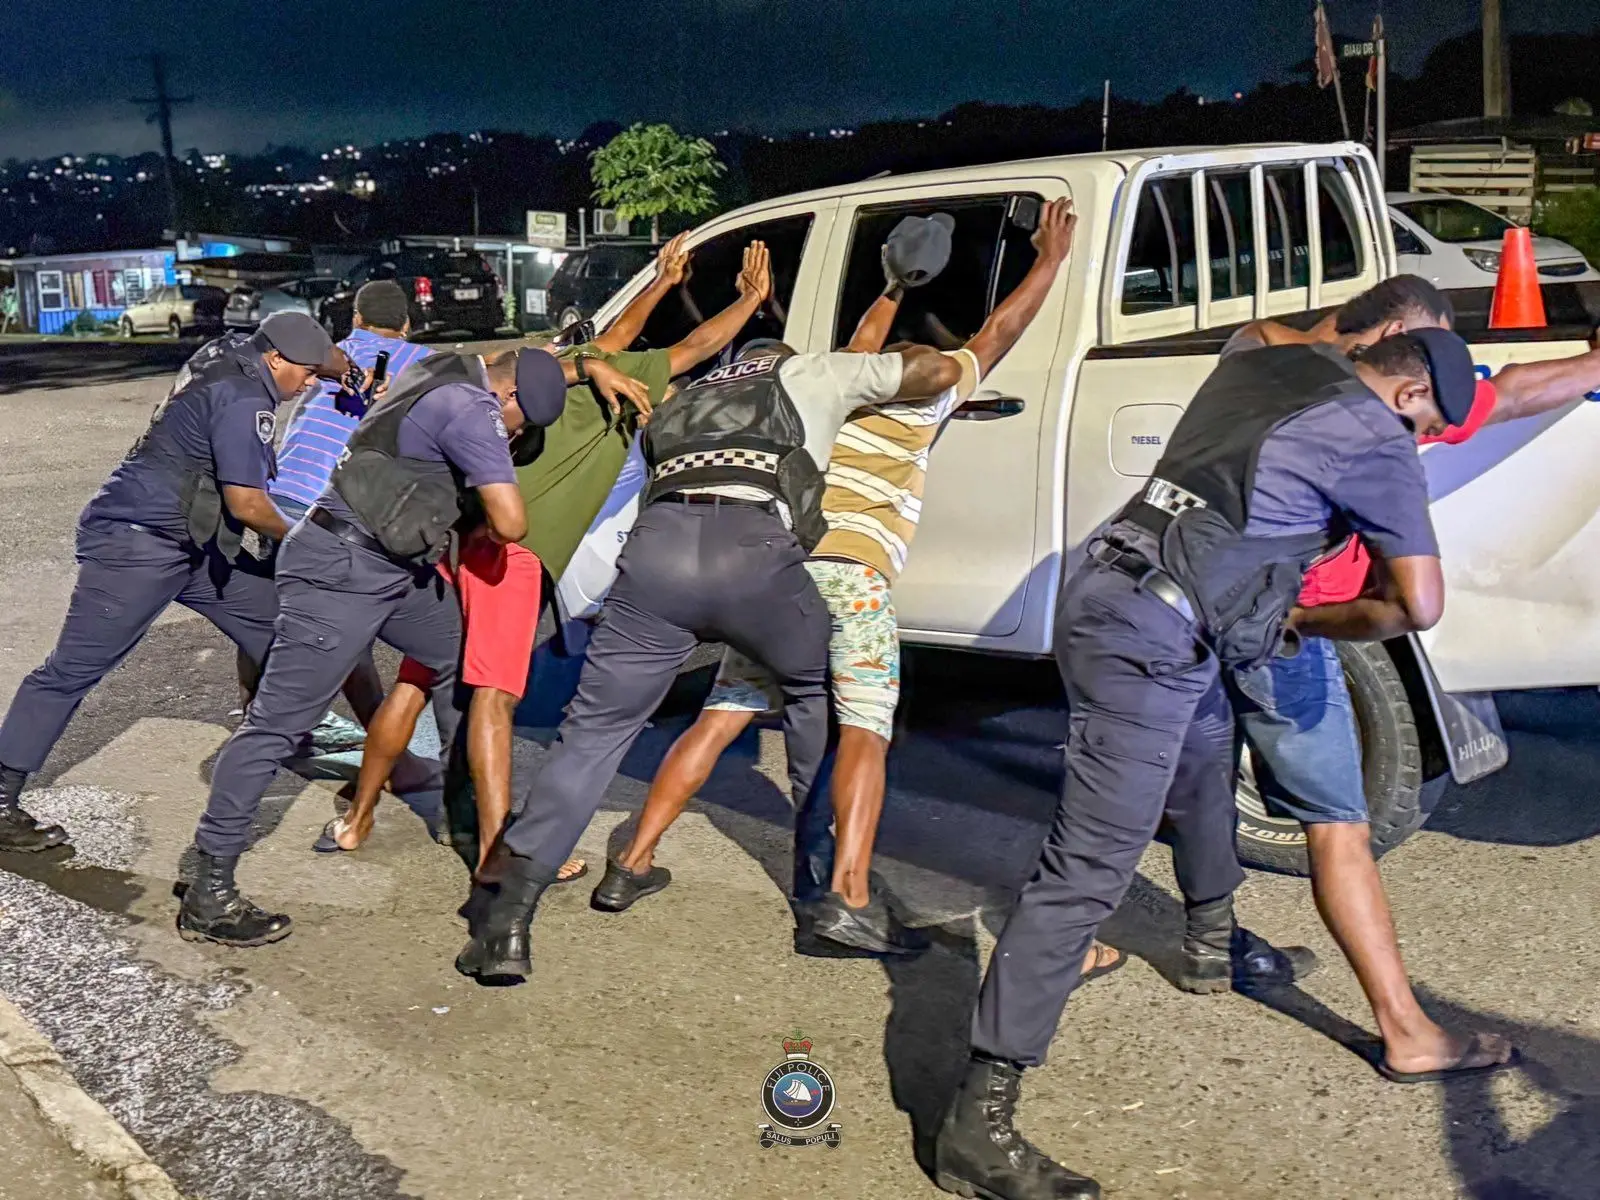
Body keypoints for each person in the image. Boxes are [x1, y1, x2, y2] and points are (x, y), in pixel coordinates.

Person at [932, 327, 1504, 1200]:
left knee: (1205, 756)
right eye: (1425, 427)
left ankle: (1211, 942)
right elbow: (1416, 605)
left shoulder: (1271, 361)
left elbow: (1261, 330)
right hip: (1148, 639)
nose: (1420, 444)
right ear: (1407, 394)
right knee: (1089, 867)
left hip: (1118, 589)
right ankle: (978, 1124)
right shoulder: (1377, 438)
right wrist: (1308, 620)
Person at [594, 202, 1119, 973]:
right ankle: (848, 895)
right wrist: (1049, 260)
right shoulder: (924, 407)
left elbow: (863, 346)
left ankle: (631, 861)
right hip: (855, 582)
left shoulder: (835, 400)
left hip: (782, 578)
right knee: (866, 730)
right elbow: (999, 331)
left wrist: (894, 287)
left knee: (724, 713)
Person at [453, 242, 973, 985]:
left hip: (656, 564)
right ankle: (825, 896)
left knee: (592, 735)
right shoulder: (807, 373)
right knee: (819, 698)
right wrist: (901, 327)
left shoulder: (682, 399)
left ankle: (505, 924)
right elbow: (938, 373)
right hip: (756, 559)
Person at [1187, 278, 1600, 1074]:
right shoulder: (1339, 394)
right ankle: (1406, 1032)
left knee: (1182, 779)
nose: (1431, 417)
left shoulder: (1287, 369)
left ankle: (1204, 941)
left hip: (1193, 603)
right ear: (1389, 342)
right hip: (1280, 623)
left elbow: (1510, 393)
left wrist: (1593, 367)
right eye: (1423, 352)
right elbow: (1418, 602)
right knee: (1337, 822)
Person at [319, 233, 767, 884]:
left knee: (416, 682)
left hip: (462, 541)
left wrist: (661, 283)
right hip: (513, 561)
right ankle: (496, 852)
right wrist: (750, 301)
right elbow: (696, 347)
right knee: (495, 701)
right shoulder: (627, 387)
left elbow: (615, 335)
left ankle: (357, 819)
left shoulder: (565, 369)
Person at [177, 345, 570, 946]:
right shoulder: (475, 407)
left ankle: (468, 820)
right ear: (509, 396)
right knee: (276, 726)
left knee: (456, 655)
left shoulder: (441, 368)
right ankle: (209, 886)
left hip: (395, 570)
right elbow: (512, 522)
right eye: (520, 425)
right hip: (340, 569)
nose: (515, 436)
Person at [0, 313, 347, 853]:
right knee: (69, 672)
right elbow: (248, 504)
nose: (309, 385)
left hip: (194, 545)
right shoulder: (245, 399)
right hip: (137, 547)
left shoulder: (232, 352)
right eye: (306, 373)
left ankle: (286, 729)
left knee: (281, 621)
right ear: (276, 358)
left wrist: (344, 369)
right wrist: (316, 543)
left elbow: (311, 352)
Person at [242, 279, 437, 758]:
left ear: (356, 320)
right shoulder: (423, 362)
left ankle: (254, 714)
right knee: (346, 628)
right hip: (328, 511)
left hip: (279, 495)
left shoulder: (329, 354)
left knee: (271, 615)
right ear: (406, 325)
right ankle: (383, 745)